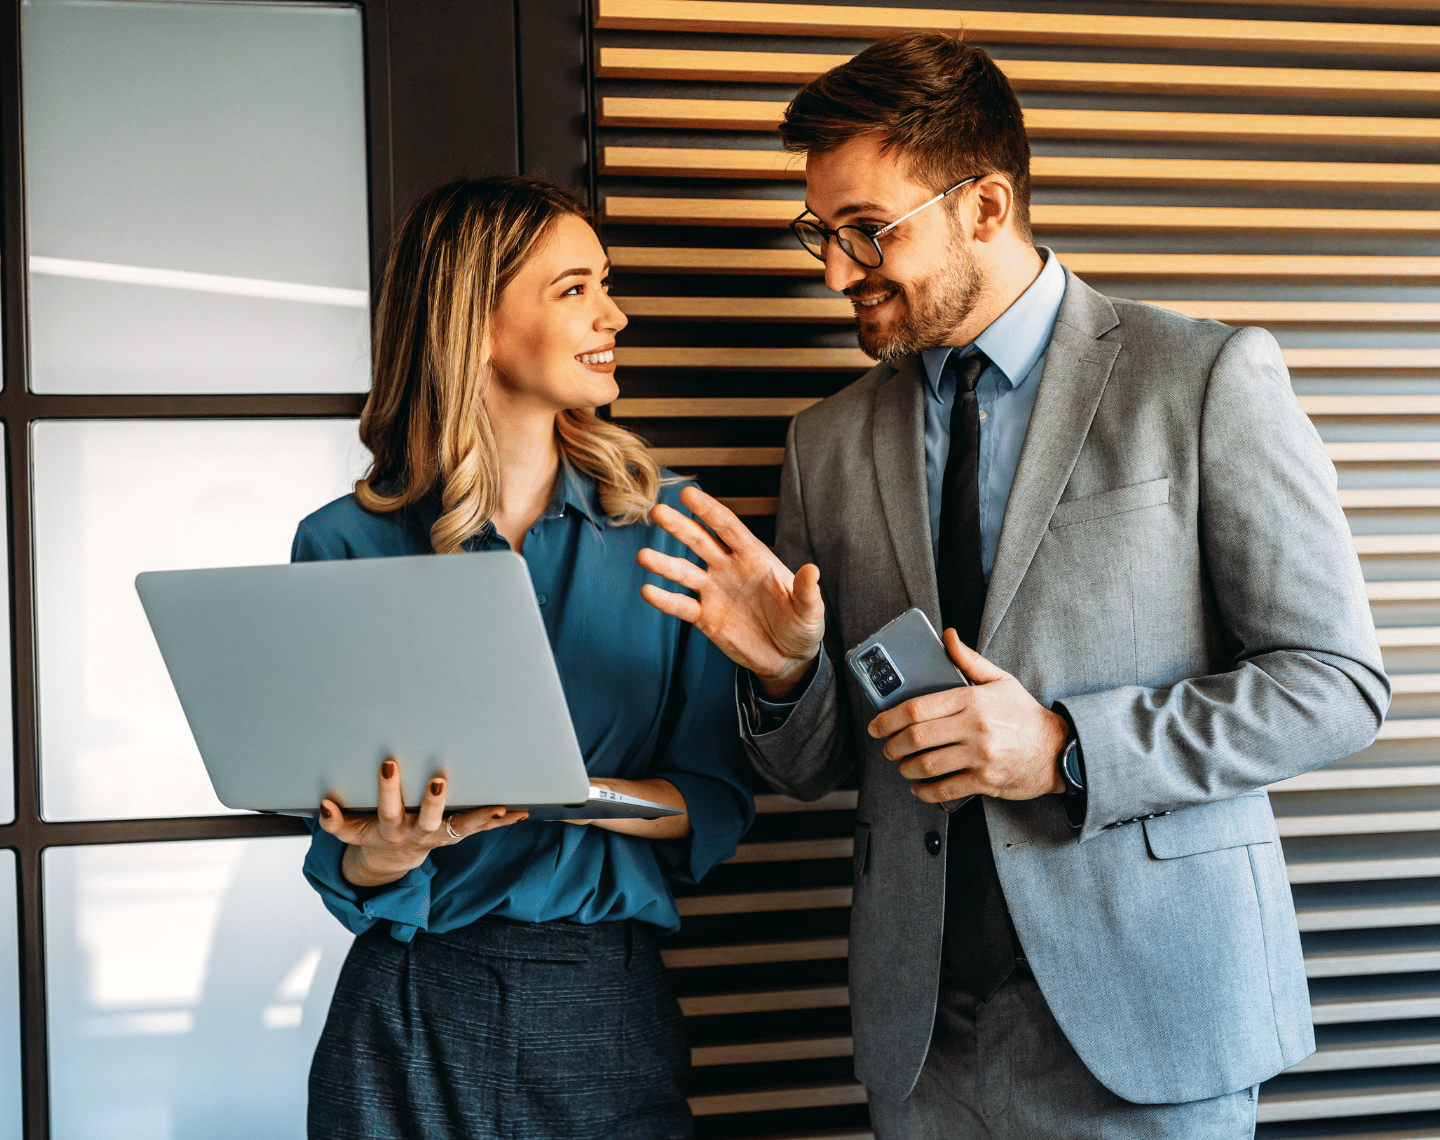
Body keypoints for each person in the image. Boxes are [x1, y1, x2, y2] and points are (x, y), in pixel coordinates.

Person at [637, 33, 1389, 1139]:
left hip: (1155, 1022)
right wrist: (790, 676)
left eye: (866, 231)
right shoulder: (825, 445)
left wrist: (1066, 747)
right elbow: (813, 771)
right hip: (921, 1040)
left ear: (985, 206)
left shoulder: (1205, 377)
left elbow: (1337, 687)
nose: (836, 270)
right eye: (821, 232)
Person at [293, 175, 755, 1140]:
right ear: (479, 323)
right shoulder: (342, 545)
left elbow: (714, 798)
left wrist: (574, 792)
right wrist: (387, 850)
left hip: (603, 998)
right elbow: (345, 848)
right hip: (405, 1000)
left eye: (605, 284)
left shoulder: (673, 532)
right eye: (575, 288)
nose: (614, 314)